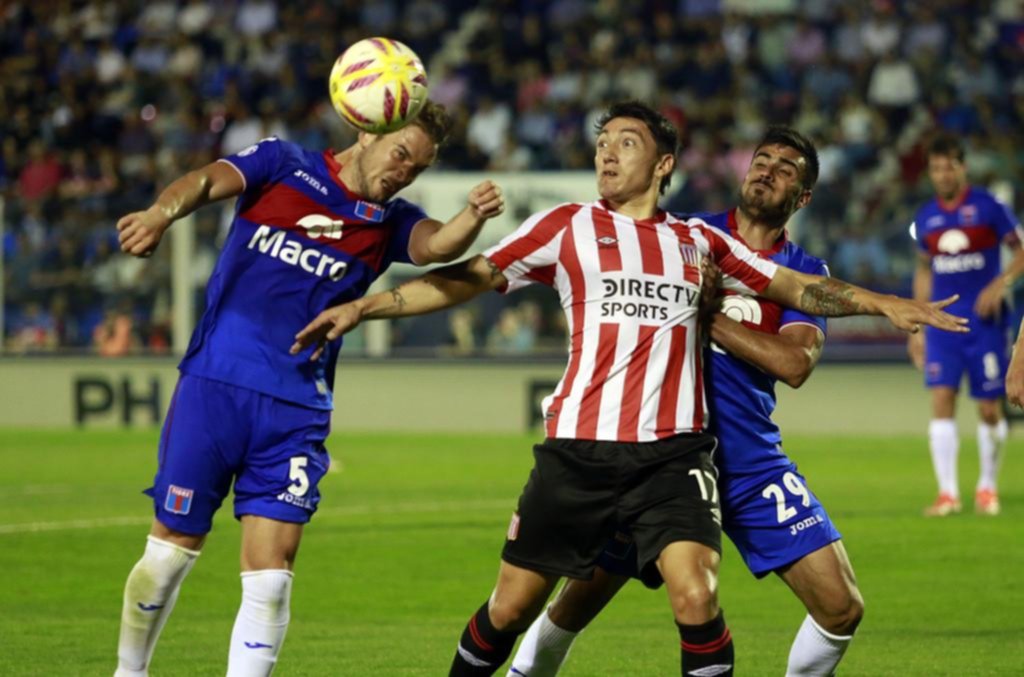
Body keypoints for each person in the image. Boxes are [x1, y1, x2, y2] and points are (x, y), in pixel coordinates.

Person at [290, 101, 966, 677]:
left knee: (705, 596)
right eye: (602, 144)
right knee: (520, 607)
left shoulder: (698, 243)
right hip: (582, 455)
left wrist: (885, 303)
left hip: (683, 457)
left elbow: (798, 309)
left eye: (626, 143)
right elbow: (469, 278)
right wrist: (366, 305)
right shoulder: (571, 226)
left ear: (663, 164)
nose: (607, 155)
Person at [113, 101, 506, 677]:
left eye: (416, 169)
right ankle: (129, 672)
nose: (404, 172)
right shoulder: (281, 163)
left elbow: (438, 248)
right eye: (400, 155)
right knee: (170, 549)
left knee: (271, 576)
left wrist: (473, 215)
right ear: (366, 130)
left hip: (297, 408)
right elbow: (203, 181)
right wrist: (159, 213)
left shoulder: (390, 220)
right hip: (215, 385)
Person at [506, 127, 864, 677]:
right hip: (657, 453)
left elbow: (794, 365)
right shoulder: (687, 235)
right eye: (761, 160)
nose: (767, 170)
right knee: (574, 602)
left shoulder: (803, 272)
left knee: (841, 606)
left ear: (804, 196)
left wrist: (707, 315)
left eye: (786, 168)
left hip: (746, 461)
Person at [908, 133, 1024, 517]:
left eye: (949, 167)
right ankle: (947, 494)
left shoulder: (989, 207)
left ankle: (987, 487)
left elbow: (1021, 253)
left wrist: (1000, 283)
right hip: (943, 325)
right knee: (941, 399)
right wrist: (918, 323)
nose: (942, 175)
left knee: (990, 407)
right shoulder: (926, 217)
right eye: (936, 168)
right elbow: (924, 269)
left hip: (986, 324)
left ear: (962, 167)